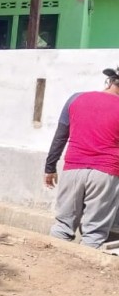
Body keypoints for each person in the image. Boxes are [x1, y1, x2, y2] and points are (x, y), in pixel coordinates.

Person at [44, 67, 119, 249]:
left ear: (109, 81)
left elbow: (60, 137)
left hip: (73, 170)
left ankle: (49, 267)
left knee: (62, 226)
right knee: (94, 232)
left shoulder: (76, 98)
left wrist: (50, 167)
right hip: (106, 174)